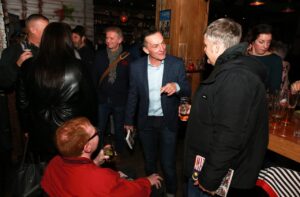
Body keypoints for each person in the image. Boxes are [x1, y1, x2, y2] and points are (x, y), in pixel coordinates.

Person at [183, 18, 268, 197]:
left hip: (213, 172)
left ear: (215, 46)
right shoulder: (231, 69)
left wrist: (209, 179)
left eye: (205, 45)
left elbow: (229, 135)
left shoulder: (236, 77)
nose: (204, 51)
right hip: (206, 163)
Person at [17, 22, 97, 162]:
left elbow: (22, 103)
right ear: (67, 39)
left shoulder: (28, 65)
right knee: (70, 171)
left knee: (45, 171)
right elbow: (90, 102)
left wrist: (26, 128)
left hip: (39, 129)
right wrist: (90, 129)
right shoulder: (78, 66)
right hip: (70, 131)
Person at [124, 30, 191, 196]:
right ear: (146, 50)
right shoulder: (136, 67)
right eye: (156, 45)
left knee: (168, 163)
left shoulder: (175, 63)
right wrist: (128, 120)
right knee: (149, 162)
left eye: (163, 43)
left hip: (167, 121)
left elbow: (187, 89)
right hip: (145, 121)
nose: (162, 48)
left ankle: (171, 192)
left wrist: (176, 87)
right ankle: (152, 191)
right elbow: (132, 94)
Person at [41, 117, 162, 197]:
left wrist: (96, 161)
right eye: (95, 132)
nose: (97, 131)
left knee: (128, 171)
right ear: (87, 147)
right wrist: (147, 181)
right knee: (157, 189)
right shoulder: (100, 179)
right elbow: (130, 192)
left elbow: (77, 175)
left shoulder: (54, 163)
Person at [0, 14, 48, 196]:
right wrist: (18, 65)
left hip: (45, 112)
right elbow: (3, 81)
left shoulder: (47, 51)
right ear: (33, 30)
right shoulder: (13, 52)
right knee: (26, 157)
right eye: (45, 28)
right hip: (23, 112)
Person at [92, 26, 131, 153]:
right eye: (107, 37)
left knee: (119, 129)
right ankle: (99, 151)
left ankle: (120, 152)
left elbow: (131, 82)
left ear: (120, 40)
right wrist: (96, 95)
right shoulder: (99, 55)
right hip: (102, 99)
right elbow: (94, 77)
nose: (108, 41)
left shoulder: (128, 57)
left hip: (120, 100)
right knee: (100, 128)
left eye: (111, 38)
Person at [245, 23, 282, 92]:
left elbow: (274, 89)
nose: (266, 46)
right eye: (261, 42)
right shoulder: (243, 56)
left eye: (268, 42)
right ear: (252, 41)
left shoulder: (275, 60)